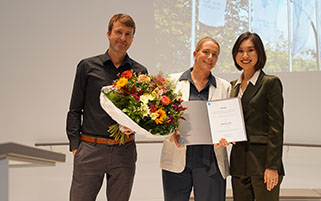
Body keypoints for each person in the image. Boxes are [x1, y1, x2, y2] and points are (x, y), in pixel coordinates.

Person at [66, 13, 148, 201]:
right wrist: (76, 147)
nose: (123, 38)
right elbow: (74, 110)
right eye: (119, 32)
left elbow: (143, 115)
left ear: (133, 38)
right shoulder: (87, 66)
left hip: (124, 150)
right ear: (108, 34)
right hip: (90, 149)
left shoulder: (139, 72)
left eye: (128, 34)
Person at [160, 37, 231, 201]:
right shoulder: (171, 82)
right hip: (177, 156)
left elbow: (228, 121)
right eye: (206, 52)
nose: (210, 57)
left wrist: (227, 136)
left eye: (215, 54)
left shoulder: (225, 87)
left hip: (212, 159)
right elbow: (159, 118)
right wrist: (170, 133)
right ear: (195, 53)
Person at [229, 31, 285, 201]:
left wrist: (272, 166)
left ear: (259, 53)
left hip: (263, 164)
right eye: (240, 51)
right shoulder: (233, 86)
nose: (245, 55)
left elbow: (276, 128)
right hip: (239, 164)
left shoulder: (270, 82)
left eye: (250, 50)